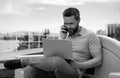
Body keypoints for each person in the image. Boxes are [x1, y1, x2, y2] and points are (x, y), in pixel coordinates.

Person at [4, 7, 102, 78]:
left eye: (71, 23)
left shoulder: (90, 35)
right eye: (66, 24)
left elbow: (98, 60)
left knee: (58, 61)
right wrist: (62, 37)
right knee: (30, 70)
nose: (68, 27)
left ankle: (25, 61)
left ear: (79, 20)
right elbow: (55, 54)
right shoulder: (65, 34)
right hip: (57, 67)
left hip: (74, 72)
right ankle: (27, 64)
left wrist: (77, 65)